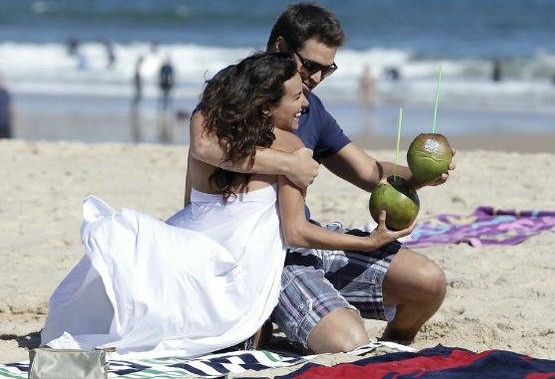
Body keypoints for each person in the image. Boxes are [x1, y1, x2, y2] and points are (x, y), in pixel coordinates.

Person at [41, 52, 411, 358]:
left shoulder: (208, 125)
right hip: (239, 269)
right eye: (297, 95)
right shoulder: (290, 148)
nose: (305, 103)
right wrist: (368, 242)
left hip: (189, 242)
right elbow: (296, 231)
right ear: (267, 105)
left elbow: (191, 200)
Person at [190, 2, 452, 354]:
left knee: (428, 284)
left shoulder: (309, 109)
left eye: (326, 71)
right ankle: (270, 317)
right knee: (347, 342)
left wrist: (421, 174)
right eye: (310, 67)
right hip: (257, 257)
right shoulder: (233, 97)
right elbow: (203, 145)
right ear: (282, 48)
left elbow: (369, 172)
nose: (314, 80)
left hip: (305, 240)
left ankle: (393, 346)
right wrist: (287, 163)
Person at [158, 56, 176, 142]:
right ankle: (163, 109)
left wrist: (173, 83)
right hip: (164, 83)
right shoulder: (163, 67)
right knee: (163, 97)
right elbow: (160, 76)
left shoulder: (169, 67)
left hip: (168, 83)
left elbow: (172, 76)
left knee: (168, 97)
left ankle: (167, 109)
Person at [358, 64, 376, 135]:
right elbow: (360, 87)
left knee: (368, 109)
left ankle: (368, 122)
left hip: (369, 95)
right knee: (366, 110)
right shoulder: (365, 77)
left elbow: (373, 86)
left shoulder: (368, 77)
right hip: (366, 95)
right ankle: (367, 122)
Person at [130, 55, 145, 142]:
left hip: (138, 85)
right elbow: (136, 78)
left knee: (137, 98)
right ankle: (134, 110)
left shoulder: (138, 68)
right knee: (137, 98)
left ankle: (135, 109)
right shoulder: (138, 69)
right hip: (138, 85)